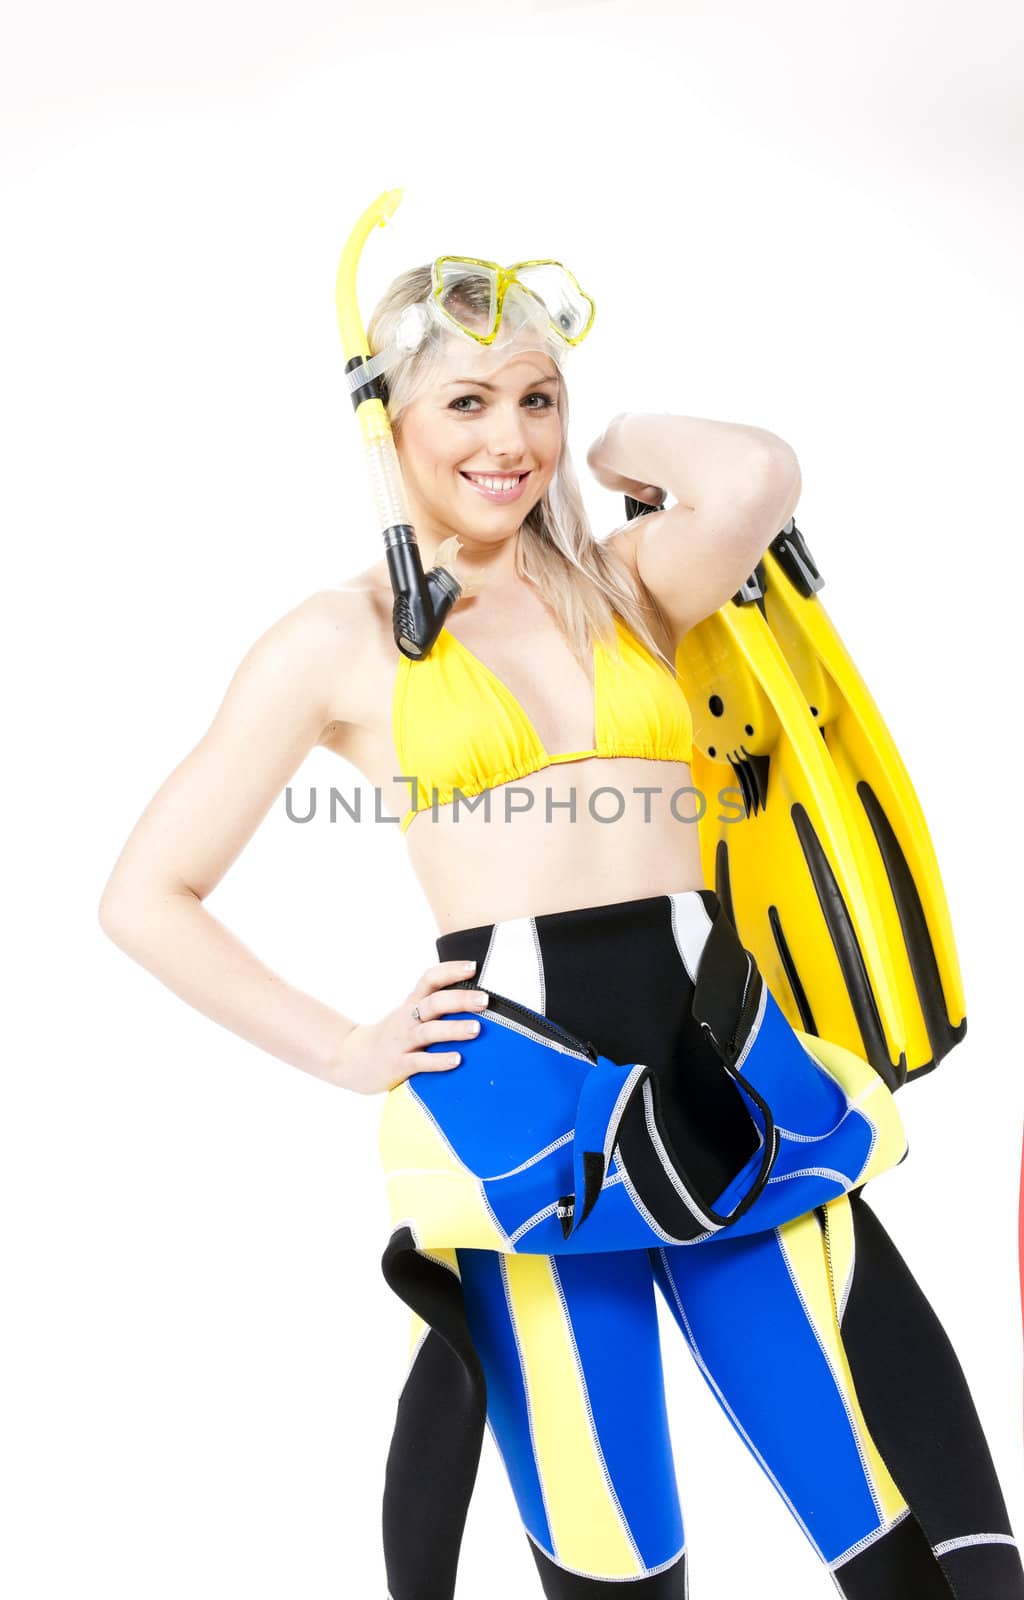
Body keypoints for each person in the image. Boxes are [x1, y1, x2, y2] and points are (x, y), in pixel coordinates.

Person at [99, 253, 1022, 1600]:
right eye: (465, 404)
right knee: (614, 1558)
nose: (512, 440)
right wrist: (347, 1047)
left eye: (539, 400)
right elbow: (144, 896)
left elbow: (755, 476)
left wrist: (603, 441)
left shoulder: (633, 581)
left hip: (730, 1077)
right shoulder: (339, 640)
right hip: (526, 1117)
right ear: (386, 426)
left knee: (915, 1540)